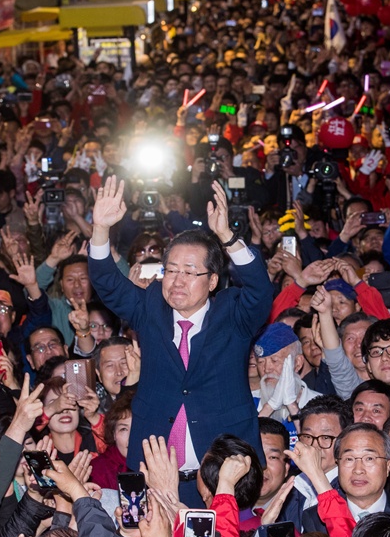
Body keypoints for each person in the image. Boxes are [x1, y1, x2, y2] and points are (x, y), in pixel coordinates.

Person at [88, 176, 272, 487]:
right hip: (155, 472)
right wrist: (101, 229)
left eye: (189, 272)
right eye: (171, 270)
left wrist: (226, 236)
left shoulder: (232, 313)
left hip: (223, 474)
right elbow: (108, 283)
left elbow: (260, 288)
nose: (177, 281)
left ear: (213, 281)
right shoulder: (150, 307)